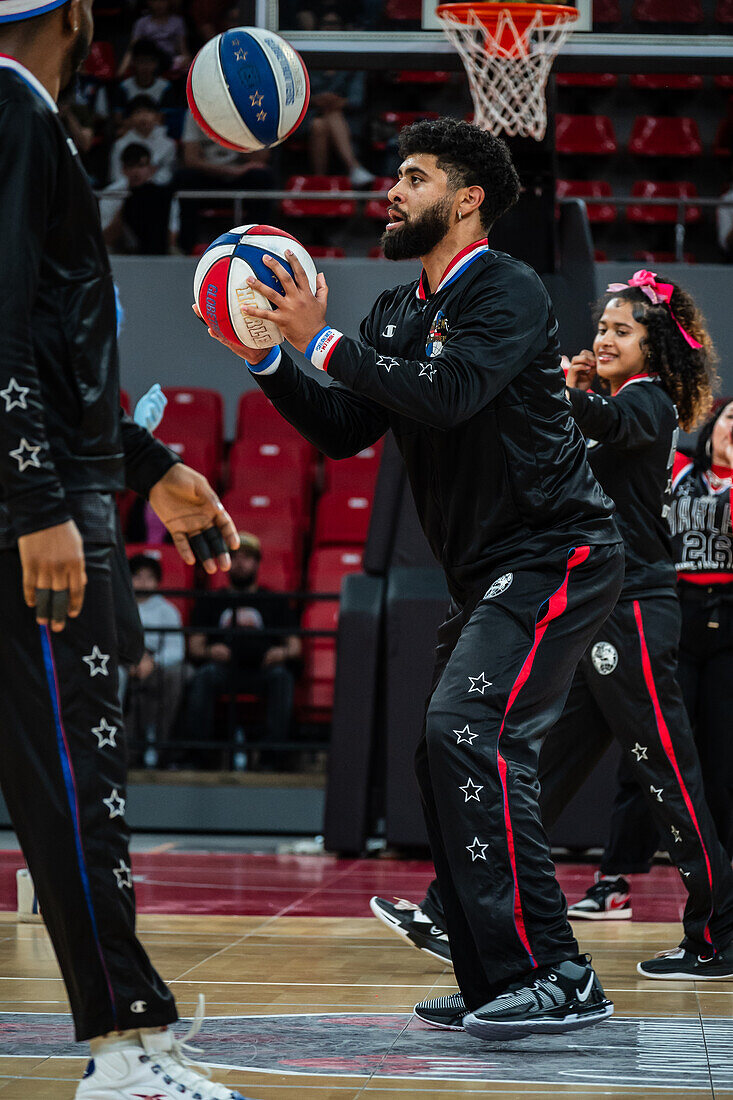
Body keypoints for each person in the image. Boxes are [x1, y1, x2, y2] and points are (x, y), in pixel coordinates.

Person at [198, 115, 628, 1041]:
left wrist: (317, 341)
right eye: (395, 175)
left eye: (414, 176)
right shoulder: (396, 309)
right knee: (443, 754)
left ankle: (556, 974)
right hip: (488, 570)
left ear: (468, 199)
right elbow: (348, 429)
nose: (390, 190)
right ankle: (493, 978)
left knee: (464, 728)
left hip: (559, 549)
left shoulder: (508, 288)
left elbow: (449, 395)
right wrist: (268, 358)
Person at [0, 2, 250, 1097]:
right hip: (39, 514)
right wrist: (36, 499)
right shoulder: (11, 110)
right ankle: (127, 1051)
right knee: (74, 779)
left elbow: (50, 345)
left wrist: (151, 465)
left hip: (54, 482)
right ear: (82, 20)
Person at [370, 272, 733, 997]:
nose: (601, 337)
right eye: (600, 326)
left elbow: (606, 426)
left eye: (620, 330)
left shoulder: (647, 400)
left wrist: (535, 387)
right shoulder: (612, 400)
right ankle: (451, 909)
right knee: (543, 766)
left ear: (653, 348)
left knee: (668, 771)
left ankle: (718, 933)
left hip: (632, 606)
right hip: (598, 608)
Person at [185, 533, 301, 770]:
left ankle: (272, 758)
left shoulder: (274, 601)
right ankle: (199, 756)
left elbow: (295, 646)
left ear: (257, 563)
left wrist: (281, 653)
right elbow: (194, 647)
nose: (240, 563)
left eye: (247, 557)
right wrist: (210, 650)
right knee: (204, 676)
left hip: (261, 670)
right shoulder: (210, 601)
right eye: (234, 557)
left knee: (282, 677)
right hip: (223, 670)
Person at [174, 109, 274, 253]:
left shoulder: (252, 108)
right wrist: (229, 170)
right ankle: (187, 248)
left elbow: (261, 157)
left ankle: (257, 246)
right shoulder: (195, 110)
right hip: (208, 176)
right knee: (185, 177)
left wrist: (236, 132)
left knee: (263, 177)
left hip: (242, 176)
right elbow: (190, 159)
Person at [121, 553, 187, 766]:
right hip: (121, 667)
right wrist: (127, 663)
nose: (143, 582)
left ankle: (162, 747)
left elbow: (177, 650)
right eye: (137, 576)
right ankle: (117, 749)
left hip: (155, 668)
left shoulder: (167, 610)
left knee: (176, 674)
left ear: (158, 581)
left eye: (149, 577)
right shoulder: (117, 607)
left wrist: (152, 662)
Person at [306, 12, 374, 186]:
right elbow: (298, 97)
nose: (329, 28)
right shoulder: (306, 58)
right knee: (319, 122)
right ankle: (354, 167)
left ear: (342, 29)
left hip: (348, 119)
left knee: (325, 120)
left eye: (334, 24)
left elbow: (356, 100)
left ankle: (319, 180)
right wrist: (316, 100)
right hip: (308, 116)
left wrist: (334, 102)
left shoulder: (352, 60)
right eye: (325, 24)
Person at [100, 142, 173, 254]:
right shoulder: (111, 193)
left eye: (141, 166)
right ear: (123, 169)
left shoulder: (164, 195)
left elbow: (172, 236)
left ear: (151, 169)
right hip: (117, 252)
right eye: (131, 166)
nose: (136, 172)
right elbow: (104, 239)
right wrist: (126, 209)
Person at [109, 94, 177, 186]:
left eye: (148, 112)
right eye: (138, 112)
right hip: (126, 191)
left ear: (157, 116)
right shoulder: (120, 144)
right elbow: (116, 175)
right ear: (129, 118)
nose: (143, 117)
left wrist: (148, 186)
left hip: (158, 191)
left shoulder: (169, 144)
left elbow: (168, 174)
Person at [118, 0, 189, 76]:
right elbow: (132, 48)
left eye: (162, 1)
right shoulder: (141, 23)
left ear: (168, 2)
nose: (159, 4)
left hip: (169, 59)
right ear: (149, 2)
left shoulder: (177, 22)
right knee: (144, 46)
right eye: (155, 1)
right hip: (148, 59)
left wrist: (187, 61)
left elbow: (183, 48)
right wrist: (121, 71)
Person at [116, 37, 172, 117]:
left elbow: (165, 118)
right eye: (141, 61)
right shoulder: (124, 87)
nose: (145, 67)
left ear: (156, 63)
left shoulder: (165, 87)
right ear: (133, 62)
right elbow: (118, 118)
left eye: (149, 61)